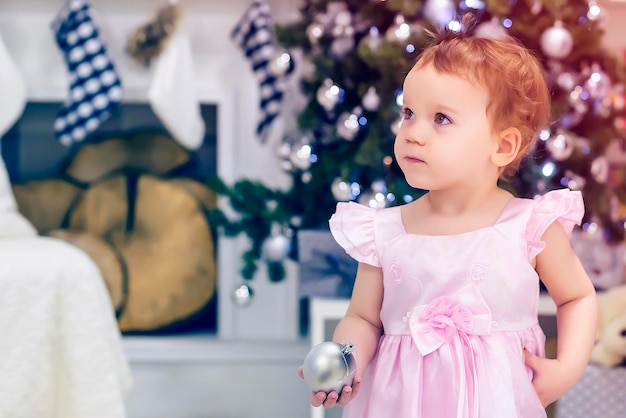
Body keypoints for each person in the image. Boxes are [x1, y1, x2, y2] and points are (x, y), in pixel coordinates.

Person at [297, 15, 597, 418]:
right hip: (400, 405)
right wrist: (347, 362)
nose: (413, 133)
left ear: (503, 145)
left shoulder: (528, 225)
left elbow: (577, 297)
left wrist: (567, 368)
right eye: (408, 113)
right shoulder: (385, 232)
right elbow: (363, 319)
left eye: (441, 119)